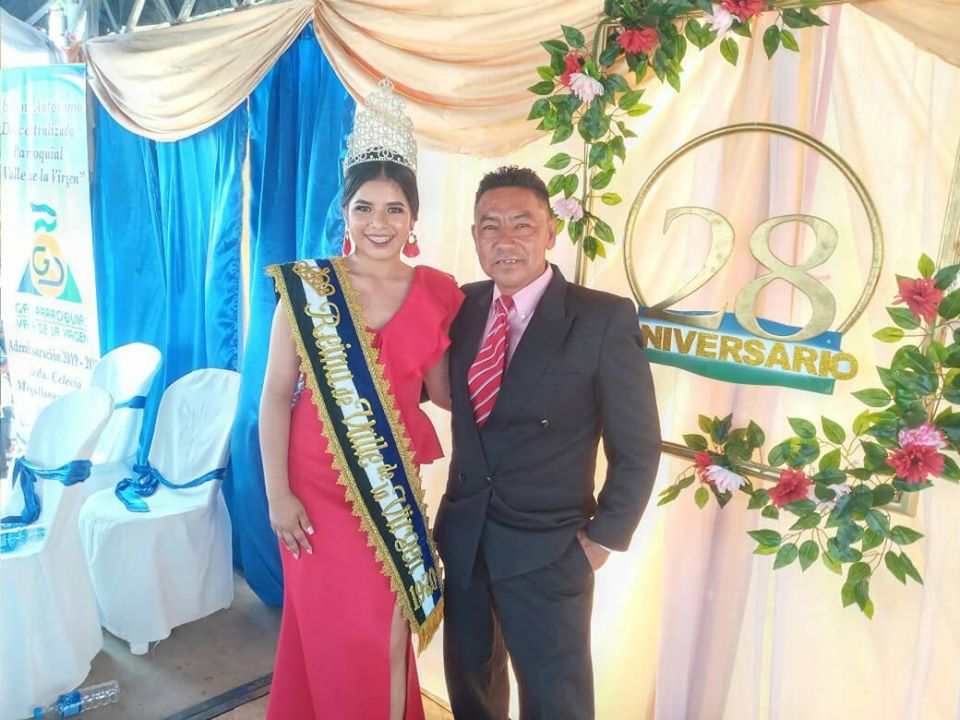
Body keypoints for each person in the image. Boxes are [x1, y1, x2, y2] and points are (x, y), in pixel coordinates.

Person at [259, 79, 463, 720]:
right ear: (345, 213)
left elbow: (445, 393)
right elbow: (273, 396)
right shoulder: (307, 287)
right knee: (325, 632)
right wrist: (277, 494)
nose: (380, 223)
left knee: (387, 628)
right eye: (365, 207)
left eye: (395, 208)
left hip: (387, 484)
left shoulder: (438, 291)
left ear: (413, 217)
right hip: (311, 489)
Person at [435, 166, 662, 719]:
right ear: (474, 236)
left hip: (549, 548)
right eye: (490, 226)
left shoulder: (602, 317)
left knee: (556, 703)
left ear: (551, 232)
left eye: (523, 224)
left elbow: (638, 444)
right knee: (472, 691)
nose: (505, 239)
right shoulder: (460, 307)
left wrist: (603, 538)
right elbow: (407, 376)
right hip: (466, 539)